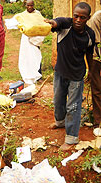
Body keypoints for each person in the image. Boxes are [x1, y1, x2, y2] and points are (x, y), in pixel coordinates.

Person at [45, 2, 95, 151]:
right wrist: (51, 23)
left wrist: (91, 72)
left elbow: (89, 55)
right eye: (76, 16)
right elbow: (57, 22)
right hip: (60, 71)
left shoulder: (89, 34)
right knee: (58, 99)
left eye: (82, 17)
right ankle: (60, 121)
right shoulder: (66, 25)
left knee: (73, 106)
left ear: (88, 18)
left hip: (76, 75)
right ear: (72, 15)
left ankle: (72, 138)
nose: (78, 20)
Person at [15, 0, 44, 85]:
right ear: (26, 6)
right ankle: (27, 74)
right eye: (28, 5)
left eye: (31, 5)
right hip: (26, 38)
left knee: (37, 56)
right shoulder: (23, 15)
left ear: (33, 5)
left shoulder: (38, 14)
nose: (30, 7)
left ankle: (39, 76)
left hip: (36, 38)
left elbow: (41, 24)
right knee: (26, 56)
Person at [87, 10, 101, 127]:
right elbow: (97, 43)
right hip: (98, 57)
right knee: (97, 89)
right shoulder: (97, 18)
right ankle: (98, 121)